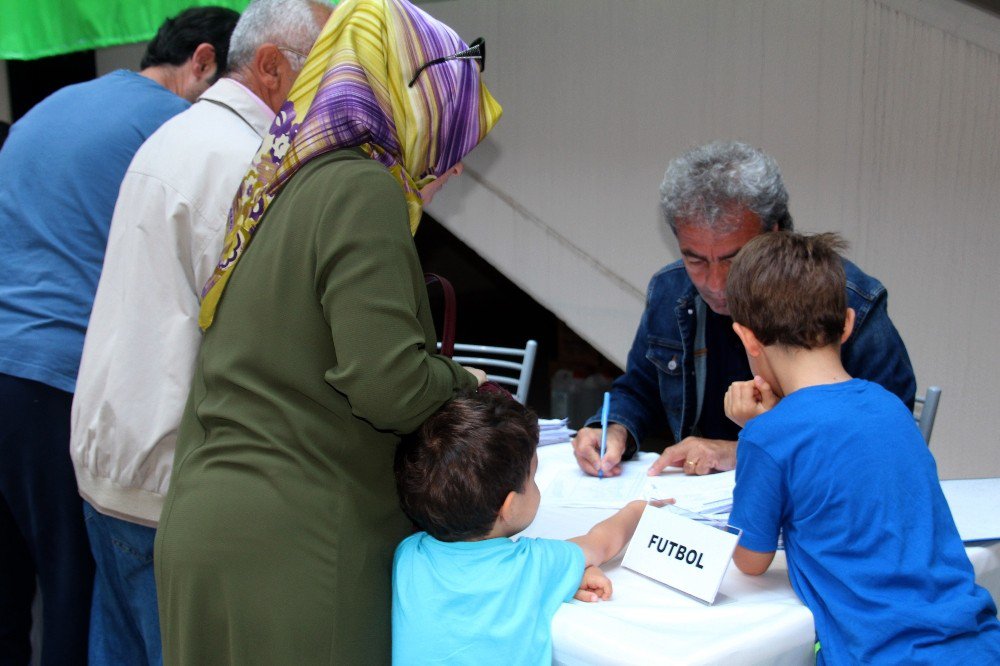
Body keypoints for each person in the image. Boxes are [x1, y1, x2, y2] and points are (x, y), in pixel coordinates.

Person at [153, 0, 502, 663]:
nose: (451, 168)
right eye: (451, 138)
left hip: (206, 526)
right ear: (410, 101)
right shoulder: (362, 191)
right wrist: (470, 383)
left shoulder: (280, 181)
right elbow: (387, 383)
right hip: (297, 548)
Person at [69, 2, 331, 664]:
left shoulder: (176, 135)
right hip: (170, 483)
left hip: (111, 459)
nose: (332, 94)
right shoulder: (249, 162)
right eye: (321, 71)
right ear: (272, 67)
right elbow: (271, 343)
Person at [0, 7, 239, 664]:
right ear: (204, 62)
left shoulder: (55, 104)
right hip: (61, 377)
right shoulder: (179, 131)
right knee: (74, 591)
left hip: (5, 362)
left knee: (9, 594)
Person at [722, 230, 1000, 663]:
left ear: (747, 337)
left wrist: (758, 432)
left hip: (881, 653)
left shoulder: (768, 437)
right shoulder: (890, 407)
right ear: (848, 323)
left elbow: (750, 560)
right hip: (976, 639)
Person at [572, 140, 916, 479]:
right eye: (695, 260)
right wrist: (614, 428)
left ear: (775, 232)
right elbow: (640, 388)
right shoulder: (670, 289)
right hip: (697, 500)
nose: (716, 283)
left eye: (733, 259)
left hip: (813, 497)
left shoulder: (844, 298)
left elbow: (886, 436)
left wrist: (740, 450)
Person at [393, 392, 650, 665]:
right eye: (533, 477)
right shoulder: (535, 564)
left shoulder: (407, 554)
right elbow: (601, 543)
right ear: (510, 507)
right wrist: (639, 509)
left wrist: (564, 577)